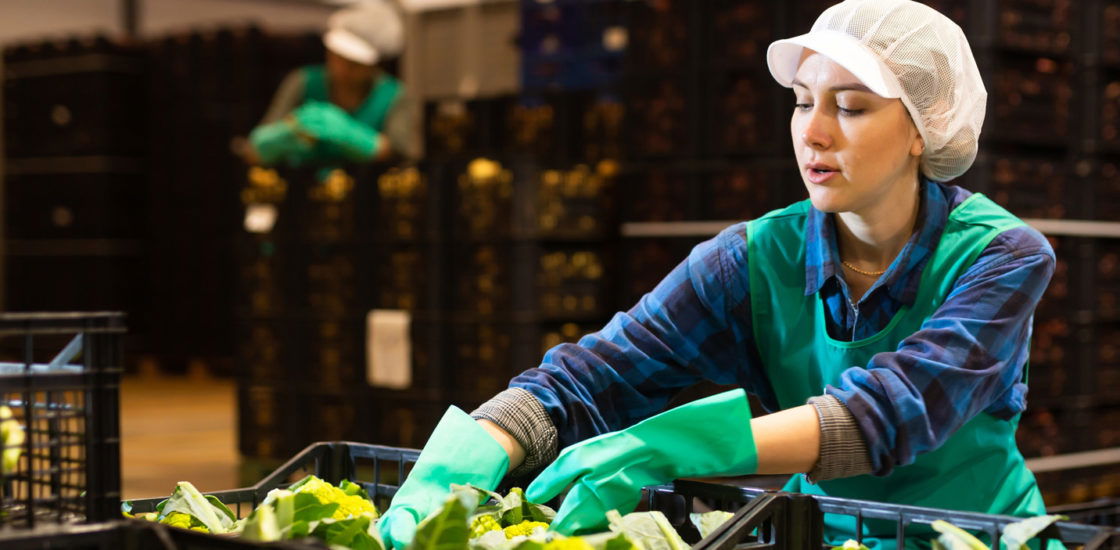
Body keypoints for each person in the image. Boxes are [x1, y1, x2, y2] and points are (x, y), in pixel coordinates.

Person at [379, 1, 1057, 548]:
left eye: (849, 107)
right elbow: (599, 372)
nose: (813, 133)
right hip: (822, 536)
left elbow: (891, 414)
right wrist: (481, 444)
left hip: (979, 537)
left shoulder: (1001, 257)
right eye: (800, 100)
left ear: (923, 129)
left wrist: (676, 449)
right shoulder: (753, 259)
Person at [240, 0, 418, 168]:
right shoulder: (302, 82)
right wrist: (281, 137)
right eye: (337, 58)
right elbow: (252, 152)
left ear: (375, 65)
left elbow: (404, 155)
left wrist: (354, 137)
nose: (342, 69)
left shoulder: (394, 95)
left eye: (354, 64)